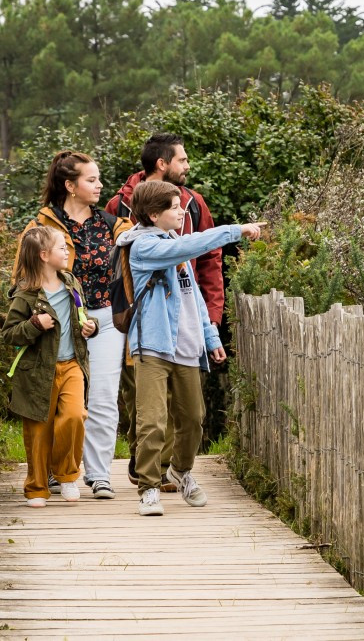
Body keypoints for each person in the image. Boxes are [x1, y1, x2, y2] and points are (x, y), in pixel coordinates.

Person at [115, 180, 265, 516]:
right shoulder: (142, 247)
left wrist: (211, 339)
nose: (181, 211)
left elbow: (193, 297)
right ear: (154, 214)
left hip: (186, 346)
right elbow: (194, 246)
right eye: (173, 206)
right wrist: (235, 231)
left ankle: (180, 472)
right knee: (152, 422)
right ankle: (149, 488)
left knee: (194, 419)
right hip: (152, 346)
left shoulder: (173, 243)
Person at [107, 134, 226, 490]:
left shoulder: (193, 203)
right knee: (143, 405)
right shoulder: (122, 204)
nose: (187, 166)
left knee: (187, 411)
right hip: (140, 319)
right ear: (163, 163)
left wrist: (211, 325)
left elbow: (207, 262)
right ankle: (146, 471)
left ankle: (166, 470)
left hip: (187, 320)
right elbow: (112, 262)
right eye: (183, 160)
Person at [17, 152, 128, 500]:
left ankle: (98, 473)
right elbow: (22, 275)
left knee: (103, 398)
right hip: (62, 323)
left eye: (98, 179)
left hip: (105, 319)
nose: (99, 186)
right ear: (70, 185)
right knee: (52, 402)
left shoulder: (112, 225)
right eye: (91, 180)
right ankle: (55, 471)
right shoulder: (41, 226)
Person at [2, 226, 98, 508]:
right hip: (37, 371)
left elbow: (82, 314)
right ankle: (36, 487)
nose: (67, 251)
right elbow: (9, 334)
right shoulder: (26, 295)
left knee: (74, 415)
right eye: (61, 248)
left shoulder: (71, 283)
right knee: (38, 429)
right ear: (44, 255)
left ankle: (66, 474)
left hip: (72, 365)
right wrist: (35, 324)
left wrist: (91, 326)